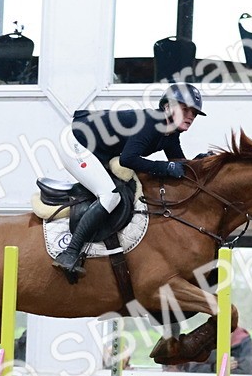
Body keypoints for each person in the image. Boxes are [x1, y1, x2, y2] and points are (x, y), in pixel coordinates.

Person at [52, 82, 206, 277]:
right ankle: (69, 252)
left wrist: (202, 164)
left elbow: (179, 164)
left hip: (95, 149)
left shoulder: (170, 133)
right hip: (75, 143)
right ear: (167, 106)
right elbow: (128, 159)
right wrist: (166, 168)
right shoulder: (151, 123)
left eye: (194, 113)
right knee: (110, 196)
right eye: (185, 109)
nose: (191, 116)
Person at [182, 326, 252, 374]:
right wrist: (214, 368)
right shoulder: (203, 341)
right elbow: (192, 370)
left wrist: (235, 364)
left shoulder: (244, 341)